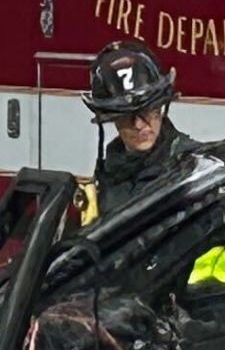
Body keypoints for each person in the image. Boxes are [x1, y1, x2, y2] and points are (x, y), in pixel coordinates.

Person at [80, 37, 194, 222]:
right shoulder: (110, 171)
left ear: (160, 108)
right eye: (126, 116)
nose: (139, 124)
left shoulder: (191, 167)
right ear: (112, 119)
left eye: (147, 111)